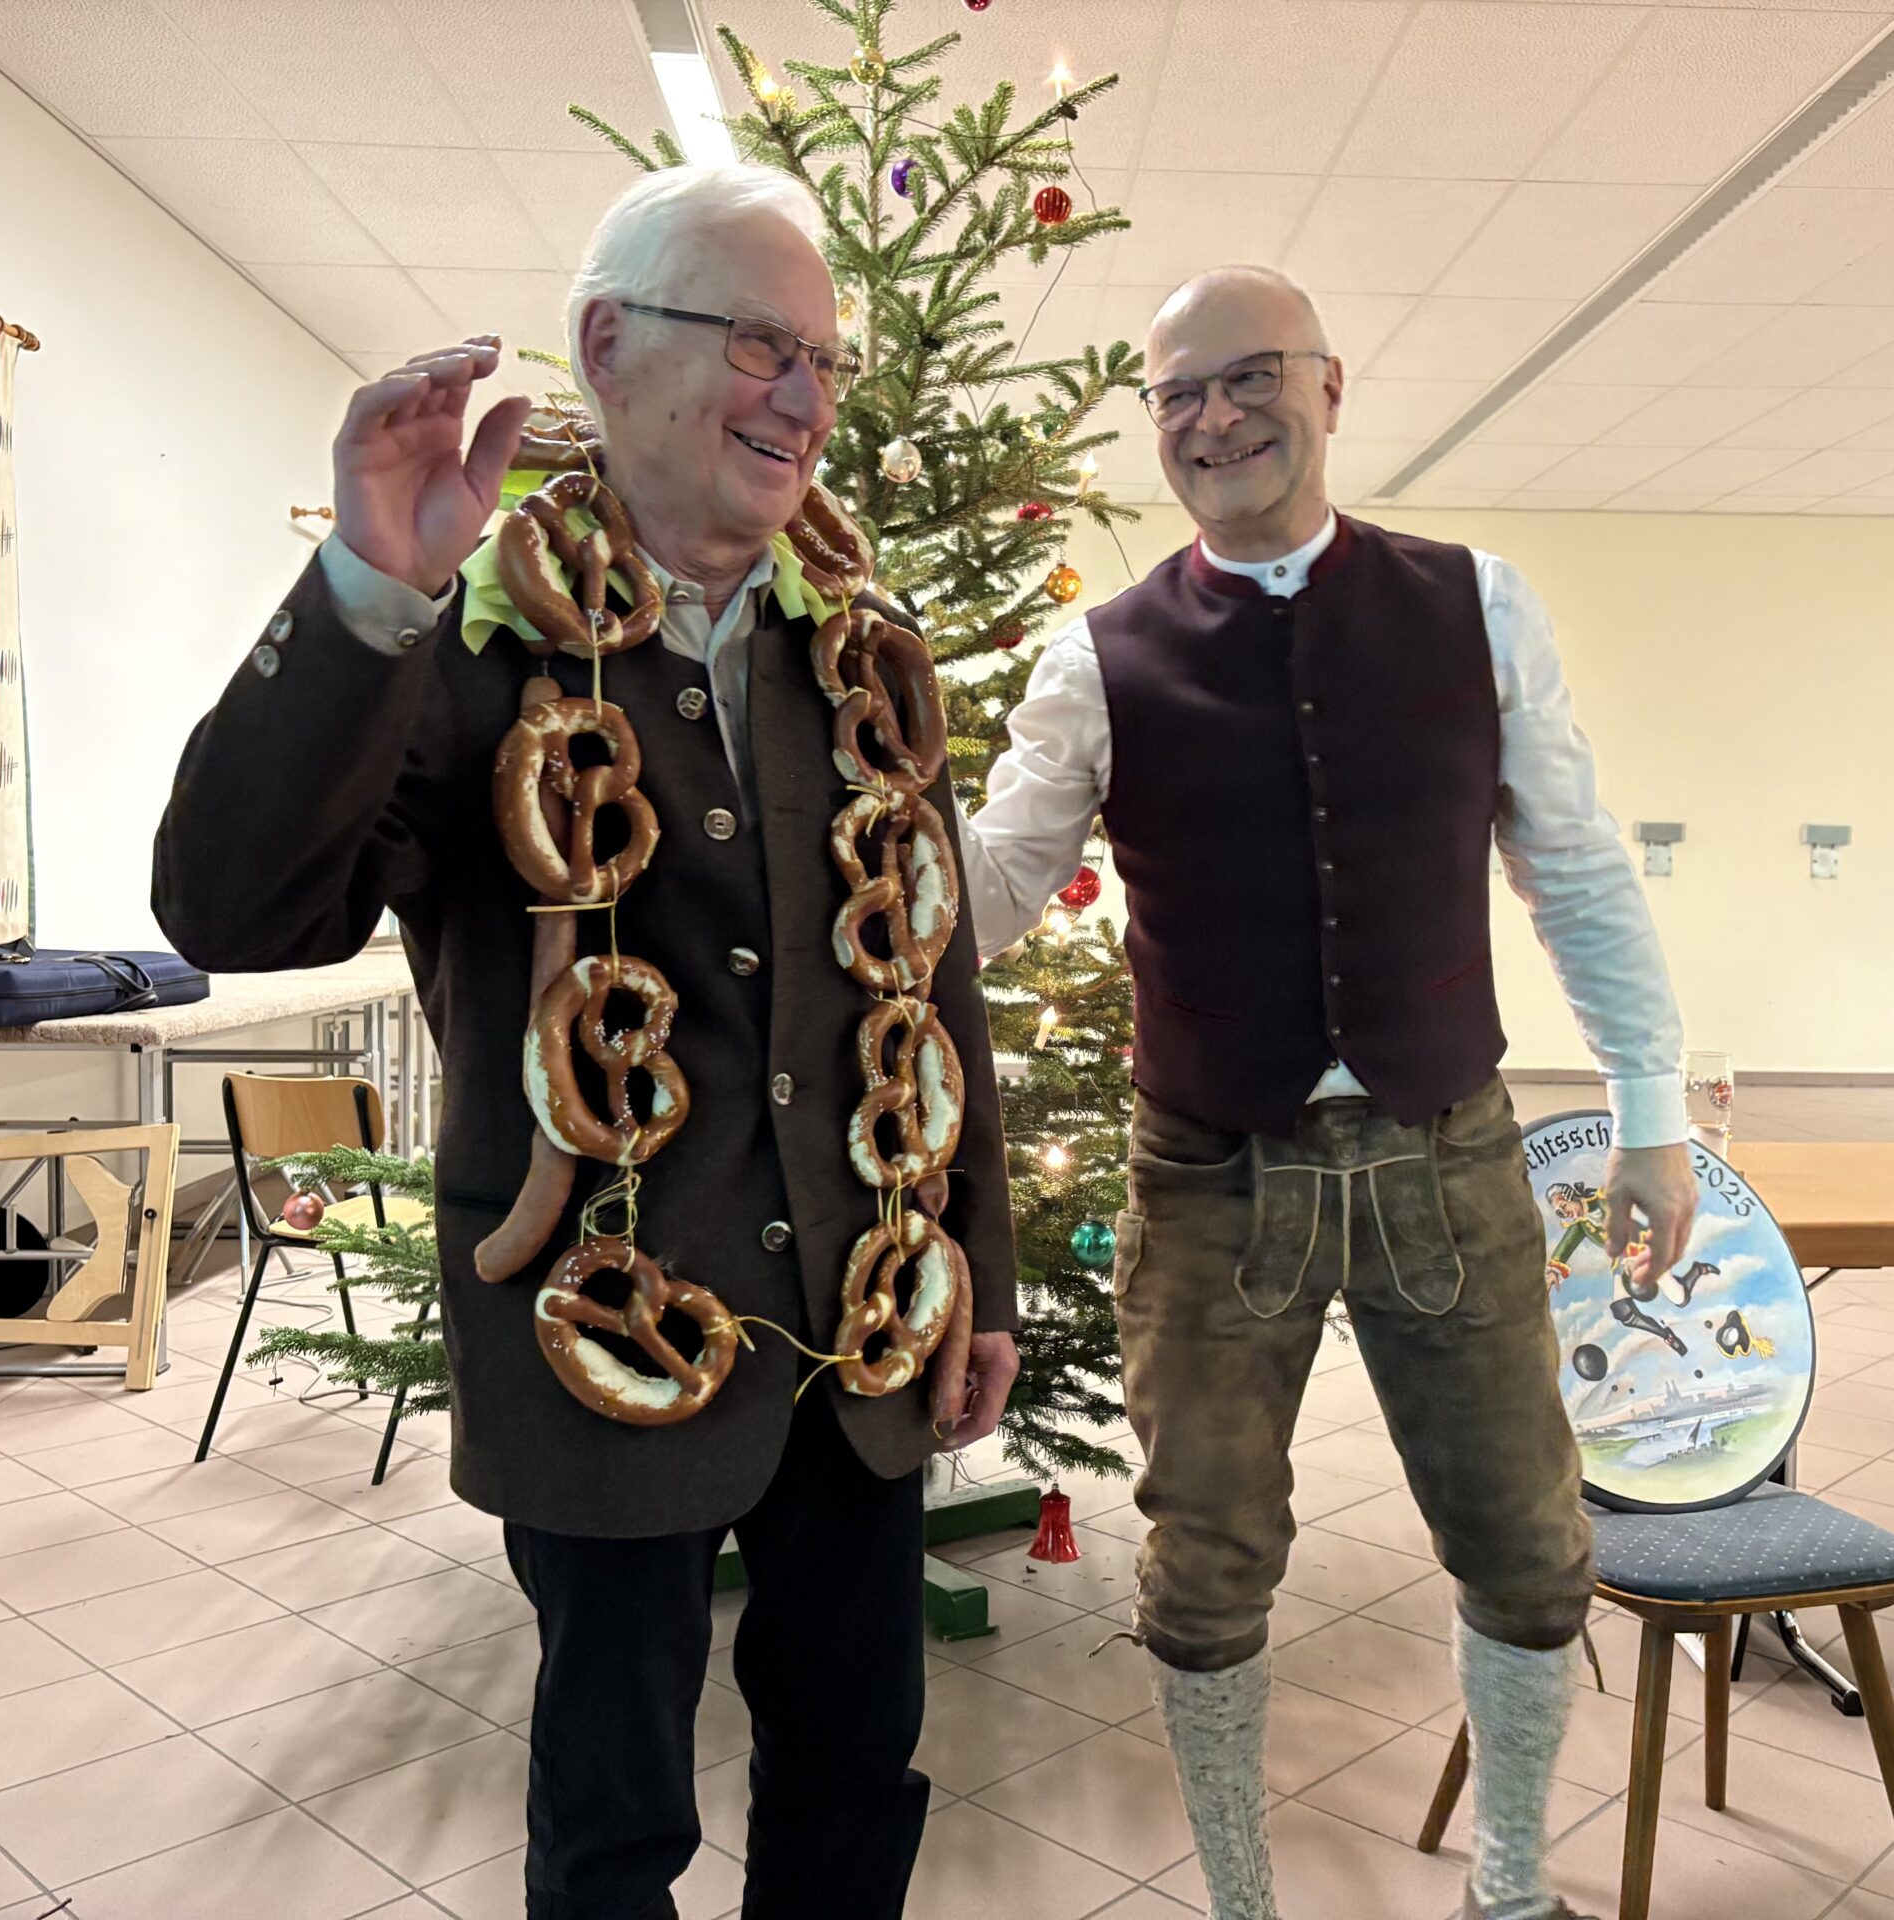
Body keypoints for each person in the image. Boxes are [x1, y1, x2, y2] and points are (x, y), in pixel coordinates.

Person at [154, 164, 1020, 1920]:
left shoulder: (865, 653)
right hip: (600, 1338)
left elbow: (934, 990)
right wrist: (371, 590)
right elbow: (233, 912)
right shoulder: (468, 644)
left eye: (826, 360)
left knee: (857, 1772)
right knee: (614, 1817)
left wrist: (978, 1277)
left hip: (861, 1330)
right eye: (763, 343)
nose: (806, 396)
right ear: (611, 348)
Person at [958, 264, 1695, 1920]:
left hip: (1452, 1147)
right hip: (1210, 1170)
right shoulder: (1097, 658)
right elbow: (991, 889)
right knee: (1204, 1569)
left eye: (1251, 376)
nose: (1215, 417)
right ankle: (1242, 1903)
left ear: (1330, 386)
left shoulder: (1478, 604)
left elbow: (1574, 867)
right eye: (1179, 394)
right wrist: (857, 830)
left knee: (1532, 1551)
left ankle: (1511, 1886)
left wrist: (1651, 1108)